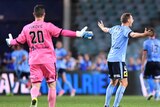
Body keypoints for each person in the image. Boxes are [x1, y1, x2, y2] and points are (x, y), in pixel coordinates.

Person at [5, 4, 93, 107]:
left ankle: (34, 98)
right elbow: (63, 32)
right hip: (48, 59)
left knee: (35, 85)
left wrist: (10, 41)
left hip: (34, 60)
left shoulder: (26, 28)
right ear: (44, 14)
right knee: (52, 85)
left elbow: (17, 41)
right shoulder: (48, 26)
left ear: (34, 14)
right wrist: (78, 33)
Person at [98, 13, 153, 107]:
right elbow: (134, 35)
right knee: (124, 83)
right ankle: (115, 106)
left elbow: (105, 29)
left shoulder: (115, 28)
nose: (133, 20)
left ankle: (106, 105)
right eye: (132, 18)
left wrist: (102, 27)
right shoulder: (126, 29)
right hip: (118, 59)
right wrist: (144, 34)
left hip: (110, 58)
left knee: (113, 82)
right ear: (128, 20)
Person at [141, 28, 160, 101]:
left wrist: (142, 65)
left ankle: (149, 92)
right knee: (156, 79)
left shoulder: (146, 42)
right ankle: (157, 96)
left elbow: (144, 54)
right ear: (154, 34)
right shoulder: (159, 42)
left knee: (145, 77)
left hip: (150, 62)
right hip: (158, 62)